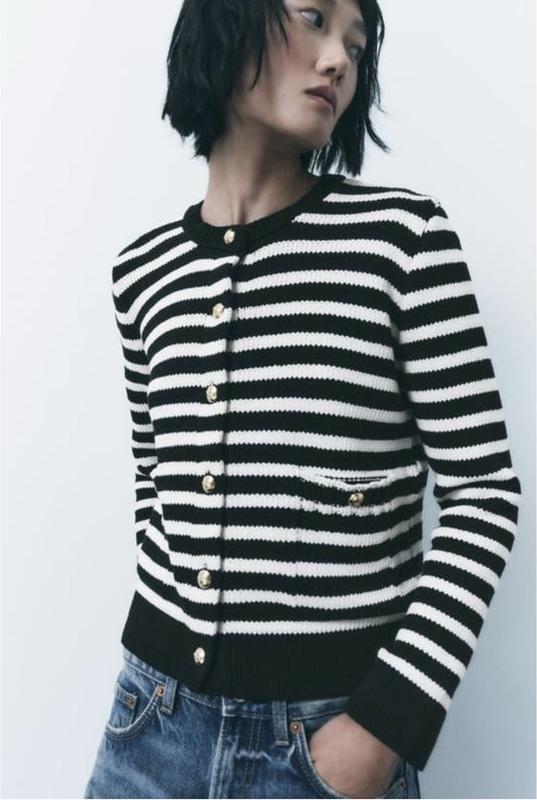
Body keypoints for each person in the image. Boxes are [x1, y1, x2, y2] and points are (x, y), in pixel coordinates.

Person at [83, 0, 521, 798]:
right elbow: (155, 483)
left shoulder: (401, 242)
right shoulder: (141, 273)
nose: (338, 60)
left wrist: (384, 726)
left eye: (356, 45)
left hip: (323, 744)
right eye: (313, 18)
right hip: (148, 728)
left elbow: (484, 495)